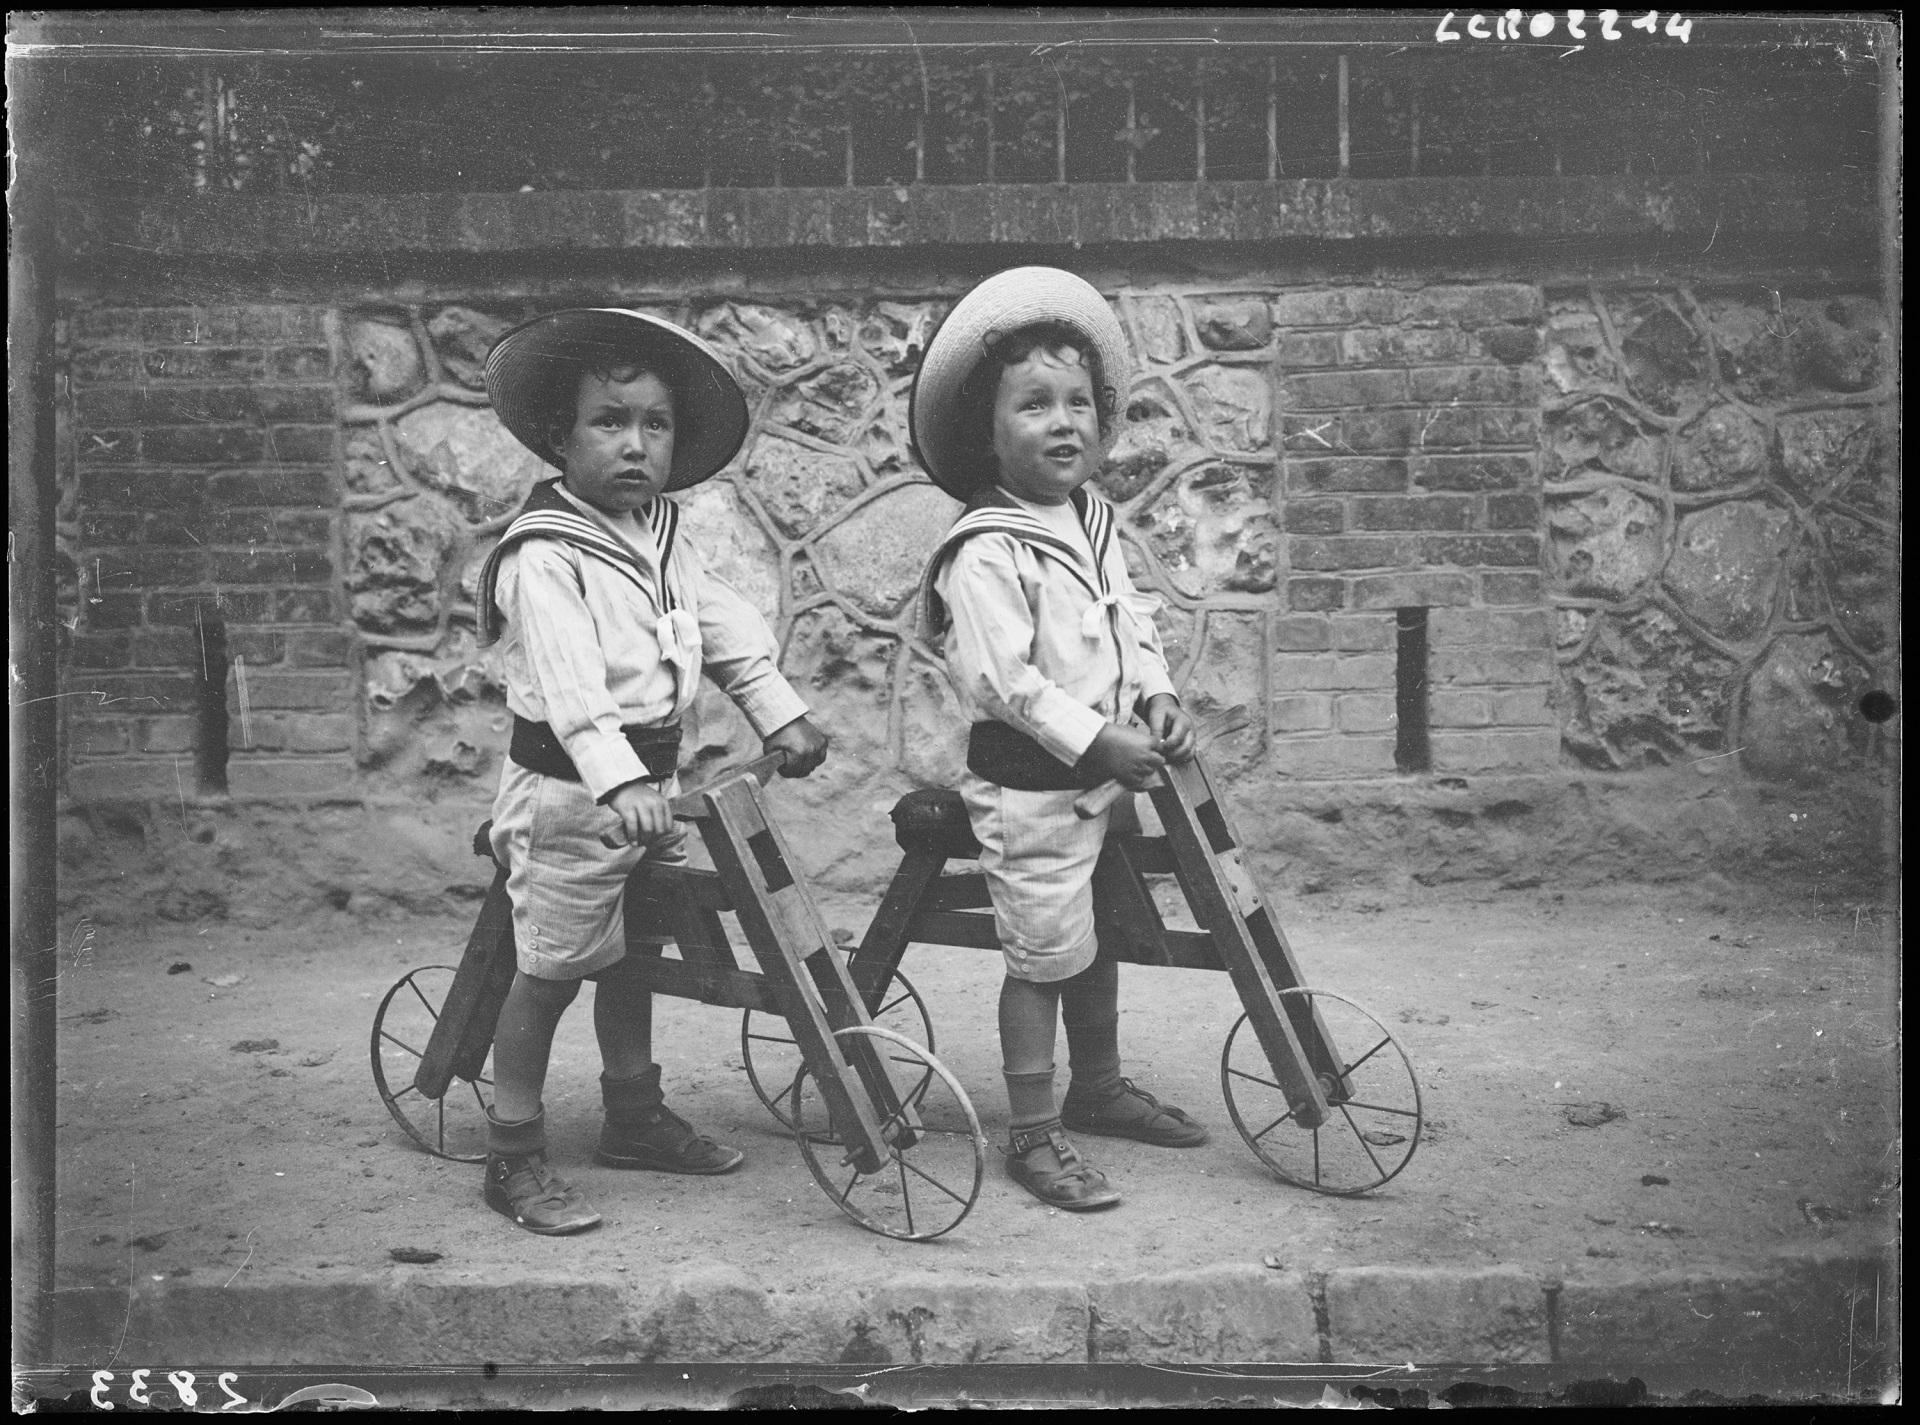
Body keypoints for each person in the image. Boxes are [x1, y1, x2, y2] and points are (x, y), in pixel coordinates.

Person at [473, 308, 829, 1234]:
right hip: (568, 794)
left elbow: (723, 631)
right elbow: (571, 689)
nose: (635, 445)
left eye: (655, 424)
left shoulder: (664, 533)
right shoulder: (545, 555)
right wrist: (619, 781)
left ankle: (632, 1113)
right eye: (609, 421)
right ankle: (511, 1148)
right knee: (550, 967)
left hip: (648, 794)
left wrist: (779, 712)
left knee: (635, 954)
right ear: (560, 435)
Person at [912, 268, 1208, 1212]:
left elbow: (1132, 625)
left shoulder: (1091, 521)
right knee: (1043, 951)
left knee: (1101, 930)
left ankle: (1100, 1083)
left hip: (1106, 778)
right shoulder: (986, 546)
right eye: (1034, 404)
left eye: (1078, 402)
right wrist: (1096, 744)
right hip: (1033, 787)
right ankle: (1033, 1131)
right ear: (987, 431)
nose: (1063, 422)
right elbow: (1005, 681)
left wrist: (1155, 695)